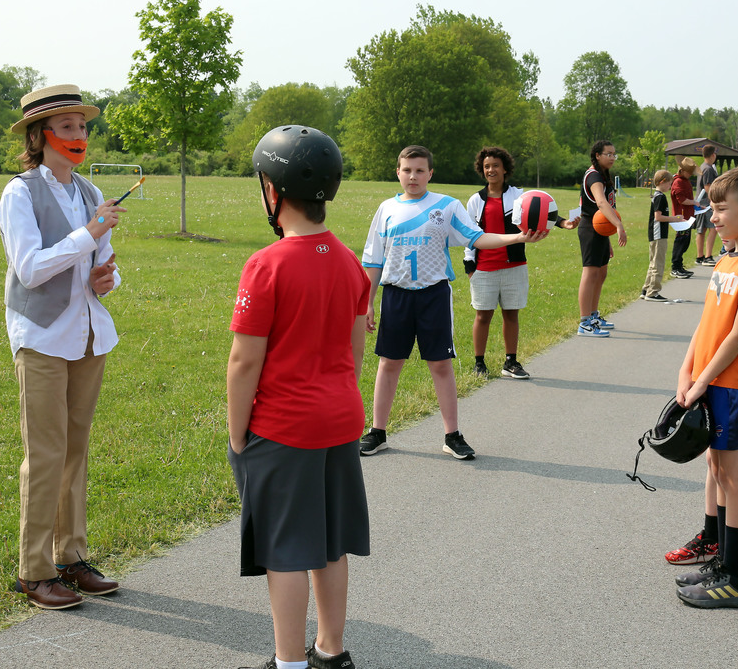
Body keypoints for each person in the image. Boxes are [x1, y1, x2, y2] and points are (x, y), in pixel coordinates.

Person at [227, 125, 369, 669]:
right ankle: (331, 651)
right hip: (340, 417)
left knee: (284, 548)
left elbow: (244, 362)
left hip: (284, 426)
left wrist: (237, 433)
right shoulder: (349, 260)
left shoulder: (266, 264)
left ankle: (289, 661)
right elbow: (355, 352)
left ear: (273, 190)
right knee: (329, 542)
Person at [0, 84, 124, 610]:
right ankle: (34, 572)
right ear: (40, 136)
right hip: (43, 338)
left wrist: (107, 278)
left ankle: (70, 558)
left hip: (88, 335)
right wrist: (87, 235)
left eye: (83, 126)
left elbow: (103, 265)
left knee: (75, 450)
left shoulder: (91, 192)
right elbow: (29, 269)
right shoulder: (19, 194)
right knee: (46, 453)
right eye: (67, 126)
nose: (79, 135)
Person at [359, 145, 546, 459]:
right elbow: (373, 259)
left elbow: (477, 237)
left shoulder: (446, 206)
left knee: (441, 365)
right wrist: (368, 302)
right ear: (398, 172)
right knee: (389, 363)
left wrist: (516, 237)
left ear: (430, 173)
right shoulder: (386, 209)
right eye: (407, 170)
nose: (413, 176)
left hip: (433, 294)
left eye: (420, 170)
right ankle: (378, 432)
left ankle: (452, 435)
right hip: (396, 295)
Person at [673, 165, 738, 608]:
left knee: (734, 477)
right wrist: (686, 370)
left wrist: (703, 380)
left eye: (719, 209)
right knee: (717, 471)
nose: (711, 217)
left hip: (734, 386)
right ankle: (722, 562)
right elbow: (706, 324)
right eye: (711, 209)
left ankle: (736, 578)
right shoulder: (725, 259)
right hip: (711, 380)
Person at [463, 147, 572, 379]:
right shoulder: (476, 200)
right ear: (482, 170)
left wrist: (564, 223)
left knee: (511, 315)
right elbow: (469, 234)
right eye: (487, 166)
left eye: (496, 165)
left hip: (514, 266)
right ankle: (479, 363)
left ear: (505, 169)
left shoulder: (518, 196)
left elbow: (541, 209)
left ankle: (510, 362)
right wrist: (469, 264)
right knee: (483, 316)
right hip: (484, 267)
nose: (491, 170)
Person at [576, 140, 628, 337]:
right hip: (590, 228)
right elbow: (601, 202)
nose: (612, 157)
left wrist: (607, 238)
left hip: (600, 229)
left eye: (614, 154)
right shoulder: (594, 175)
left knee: (601, 273)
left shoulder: (603, 174)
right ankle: (584, 323)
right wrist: (618, 225)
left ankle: (593, 315)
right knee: (590, 273)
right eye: (608, 154)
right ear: (597, 155)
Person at [642, 170, 686, 301]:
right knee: (658, 263)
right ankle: (653, 292)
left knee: (653, 263)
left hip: (656, 234)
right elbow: (658, 217)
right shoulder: (660, 197)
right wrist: (675, 219)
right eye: (669, 184)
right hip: (658, 234)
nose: (670, 186)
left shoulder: (657, 196)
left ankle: (646, 289)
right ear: (662, 182)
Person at [669, 156, 702, 279]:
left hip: (687, 217)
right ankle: (675, 267)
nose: (690, 174)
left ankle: (679, 265)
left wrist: (696, 206)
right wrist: (694, 202)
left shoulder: (685, 181)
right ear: (682, 170)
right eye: (689, 172)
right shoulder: (678, 182)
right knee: (680, 242)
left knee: (685, 241)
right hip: (681, 218)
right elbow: (681, 200)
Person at [694, 145, 719, 266]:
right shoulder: (708, 169)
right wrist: (714, 200)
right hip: (706, 202)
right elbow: (708, 187)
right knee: (713, 228)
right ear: (713, 155)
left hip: (700, 202)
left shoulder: (703, 166)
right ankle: (708, 256)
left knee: (702, 229)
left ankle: (700, 256)